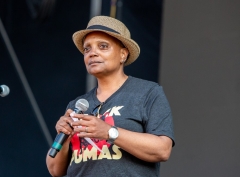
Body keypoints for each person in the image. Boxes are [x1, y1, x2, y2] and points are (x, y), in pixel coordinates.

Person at [46, 15, 175, 177]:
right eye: (87, 49)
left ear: (123, 54)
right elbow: (55, 170)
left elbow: (162, 150)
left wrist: (109, 132)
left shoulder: (148, 92)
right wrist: (64, 140)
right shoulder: (77, 105)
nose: (92, 53)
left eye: (103, 46)